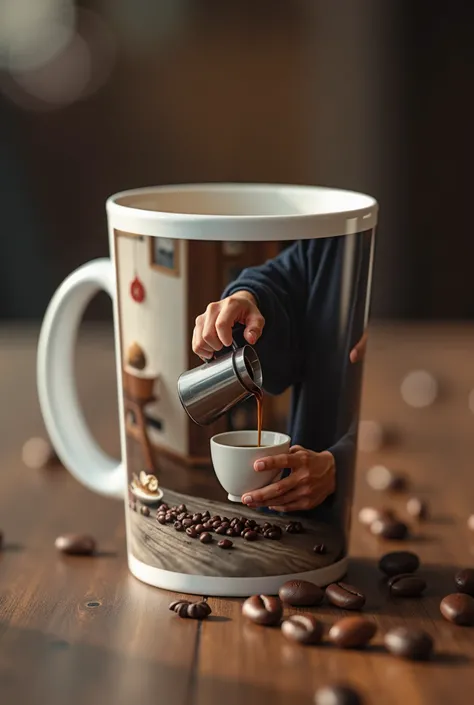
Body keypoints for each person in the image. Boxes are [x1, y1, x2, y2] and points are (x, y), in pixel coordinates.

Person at [192, 234, 372, 517]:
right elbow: (289, 272)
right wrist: (245, 296)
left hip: (360, 505)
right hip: (299, 518)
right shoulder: (334, 238)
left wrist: (341, 464)